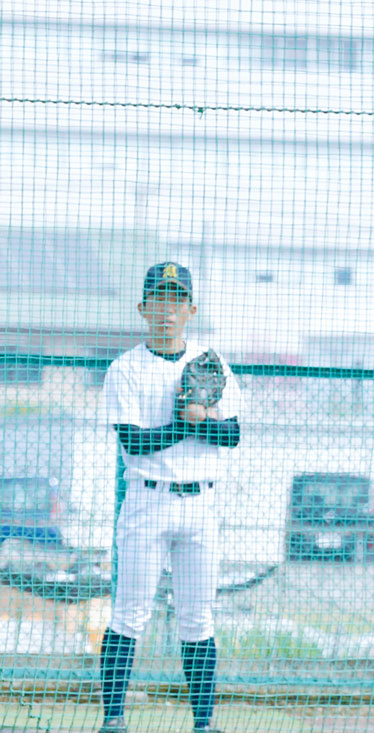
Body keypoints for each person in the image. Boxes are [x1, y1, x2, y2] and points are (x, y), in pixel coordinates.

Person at [98, 262, 243, 733]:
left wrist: (205, 419)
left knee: (198, 618)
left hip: (201, 504)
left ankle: (204, 724)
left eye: (176, 300)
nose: (167, 310)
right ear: (142, 308)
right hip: (148, 500)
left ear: (191, 310)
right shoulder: (125, 368)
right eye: (157, 299)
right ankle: (114, 720)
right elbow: (133, 442)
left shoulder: (210, 361)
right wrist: (189, 420)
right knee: (130, 613)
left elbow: (233, 433)